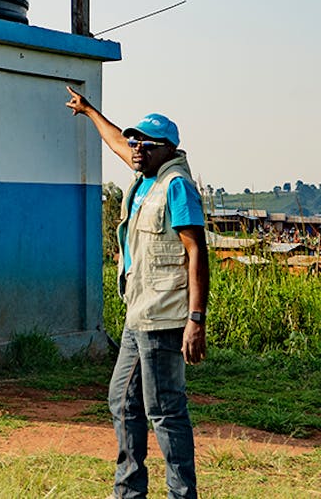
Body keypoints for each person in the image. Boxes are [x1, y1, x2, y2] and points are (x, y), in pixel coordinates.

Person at [66, 87, 208, 499]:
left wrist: (195, 320)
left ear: (168, 149)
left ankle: (182, 495)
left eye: (146, 143)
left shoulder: (175, 186)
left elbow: (196, 252)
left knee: (164, 411)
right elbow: (114, 141)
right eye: (135, 140)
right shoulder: (143, 180)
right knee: (122, 402)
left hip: (164, 317)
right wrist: (90, 110)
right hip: (137, 314)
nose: (136, 147)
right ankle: (128, 491)